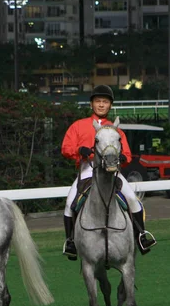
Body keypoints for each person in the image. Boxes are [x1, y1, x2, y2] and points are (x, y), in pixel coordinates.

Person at [61, 85, 157, 261]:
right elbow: (65, 148)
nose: (101, 105)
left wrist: (121, 157)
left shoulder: (116, 129)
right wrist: (78, 150)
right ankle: (70, 242)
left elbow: (127, 154)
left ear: (110, 106)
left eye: (105, 102)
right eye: (98, 101)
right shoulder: (78, 126)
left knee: (133, 200)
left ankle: (141, 236)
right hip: (87, 171)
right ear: (91, 104)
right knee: (69, 204)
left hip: (112, 172)